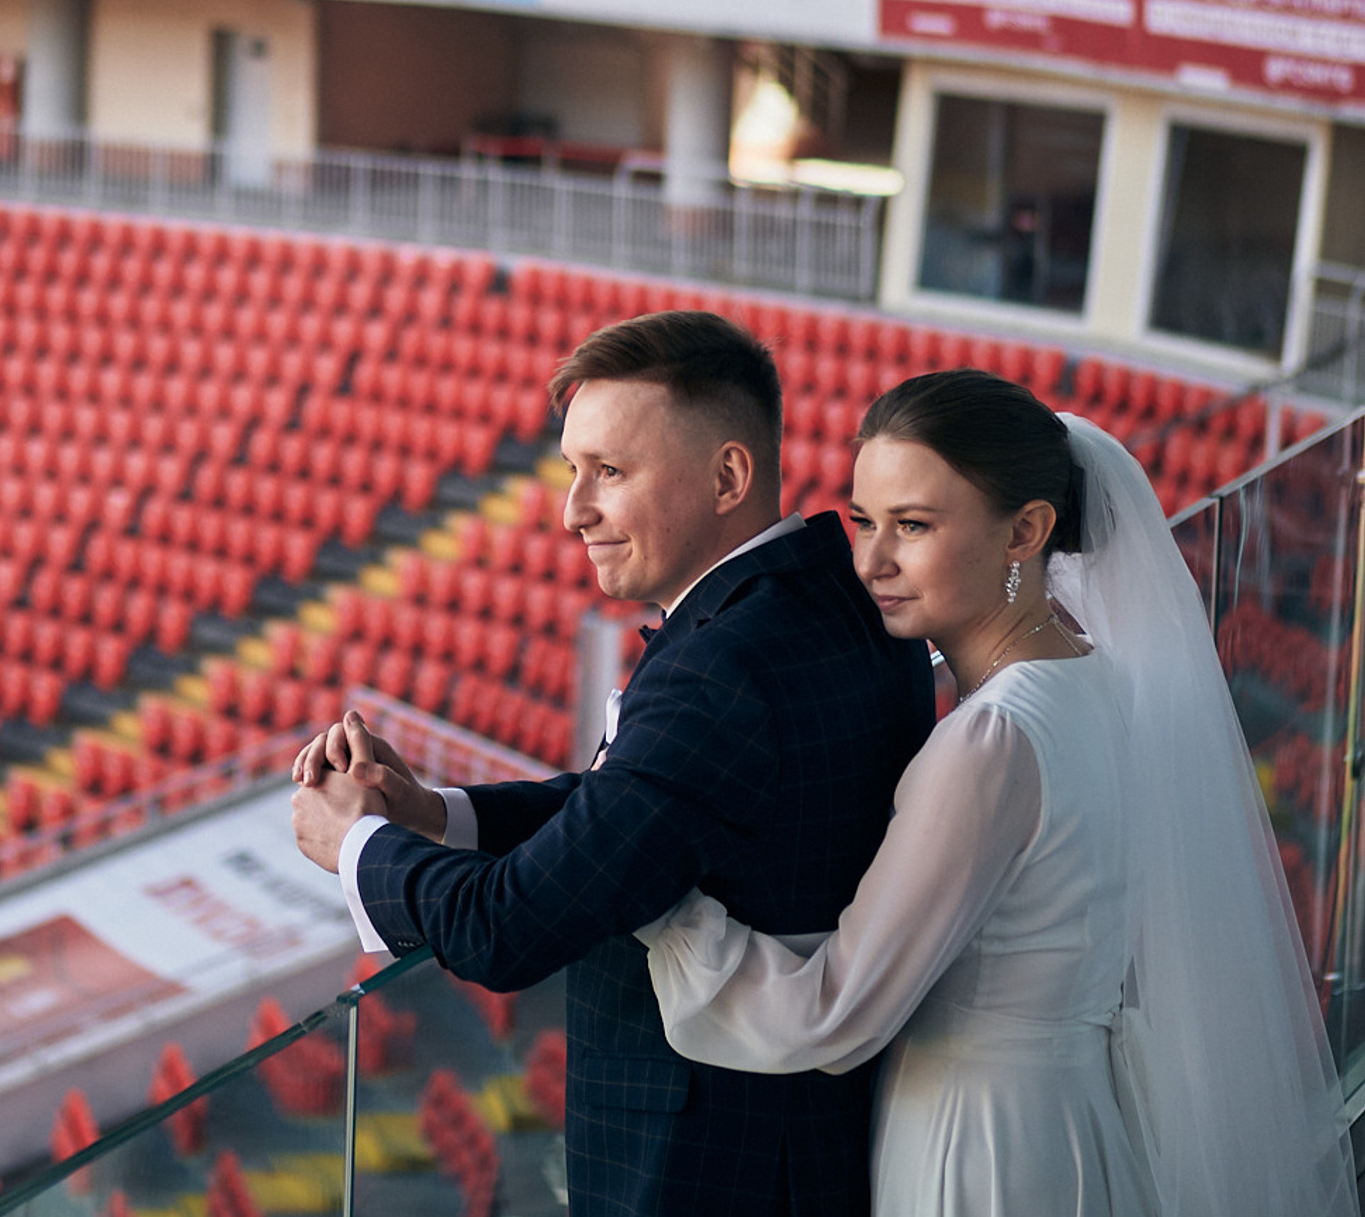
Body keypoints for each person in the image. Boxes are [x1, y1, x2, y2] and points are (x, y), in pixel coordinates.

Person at [638, 370, 1358, 1217]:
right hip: (1072, 1118)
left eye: (914, 525)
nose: (871, 560)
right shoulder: (1097, 677)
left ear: (1027, 530)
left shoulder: (994, 738)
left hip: (977, 1149)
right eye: (864, 521)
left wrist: (654, 897)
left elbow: (831, 1014)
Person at [290, 310, 936, 1217]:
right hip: (793, 1137)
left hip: (706, 1162)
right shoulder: (831, 598)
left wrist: (353, 840)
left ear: (728, 476)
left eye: (610, 473)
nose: (572, 511)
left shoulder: (725, 669)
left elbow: (503, 931)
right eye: (571, 472)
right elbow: (638, 805)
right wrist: (439, 817)